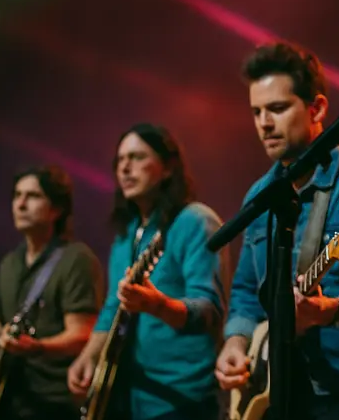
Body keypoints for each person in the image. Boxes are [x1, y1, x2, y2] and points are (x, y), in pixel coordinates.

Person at [214, 42, 339, 420]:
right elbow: (246, 290)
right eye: (257, 111)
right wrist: (236, 341)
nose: (264, 123)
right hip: (275, 384)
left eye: (277, 108)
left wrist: (333, 310)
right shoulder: (260, 195)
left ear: (318, 108)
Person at [67, 123, 228, 420]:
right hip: (132, 396)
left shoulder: (195, 221)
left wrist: (157, 304)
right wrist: (88, 356)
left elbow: (209, 310)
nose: (125, 168)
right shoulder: (126, 235)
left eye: (137, 157)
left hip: (183, 397)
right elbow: (113, 307)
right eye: (120, 160)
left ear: (167, 168)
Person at [0, 165, 104, 420]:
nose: (20, 204)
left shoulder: (76, 259)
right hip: (14, 401)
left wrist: (37, 348)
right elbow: (1, 326)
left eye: (33, 196)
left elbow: (83, 334)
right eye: (17, 195)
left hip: (56, 404)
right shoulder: (9, 263)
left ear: (56, 209)